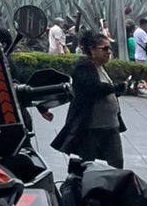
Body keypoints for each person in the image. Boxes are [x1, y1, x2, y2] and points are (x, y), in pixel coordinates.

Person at [51, 30, 126, 169]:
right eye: (104, 48)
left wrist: (118, 90)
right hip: (90, 127)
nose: (109, 52)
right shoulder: (82, 68)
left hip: (111, 125)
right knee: (88, 163)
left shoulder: (102, 67)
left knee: (117, 163)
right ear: (92, 50)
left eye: (110, 48)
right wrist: (115, 87)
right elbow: (93, 88)